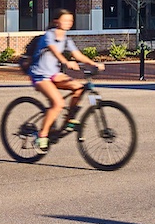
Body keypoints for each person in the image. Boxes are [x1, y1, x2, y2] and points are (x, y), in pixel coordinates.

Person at [29, 8, 101, 151]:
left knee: (79, 88)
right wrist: (65, 62)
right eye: (65, 20)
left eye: (71, 20)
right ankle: (42, 136)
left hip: (54, 74)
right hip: (40, 74)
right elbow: (54, 50)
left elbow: (78, 55)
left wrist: (93, 63)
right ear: (57, 21)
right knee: (58, 103)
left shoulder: (67, 39)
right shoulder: (49, 35)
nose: (69, 23)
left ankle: (69, 120)